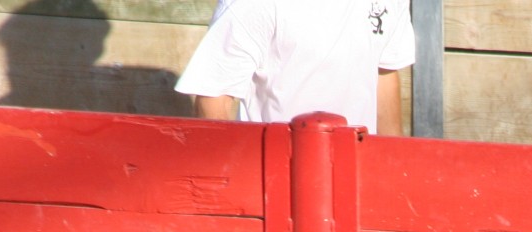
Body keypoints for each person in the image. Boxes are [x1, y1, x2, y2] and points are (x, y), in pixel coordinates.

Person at [175, 0, 414, 134]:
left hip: (360, 179)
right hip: (278, 181)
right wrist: (232, 182)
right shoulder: (253, 4)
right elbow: (213, 97)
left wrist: (390, 171)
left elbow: (384, 71)